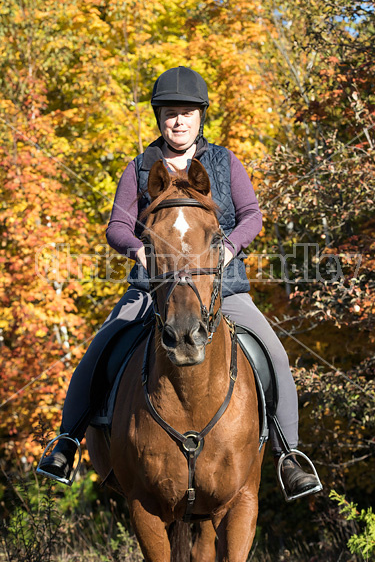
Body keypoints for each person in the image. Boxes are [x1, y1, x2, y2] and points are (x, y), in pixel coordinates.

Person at [38, 66, 322, 500]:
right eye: (171, 113)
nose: (179, 122)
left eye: (187, 113)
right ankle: (67, 442)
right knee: (101, 346)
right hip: (152, 289)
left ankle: (290, 455)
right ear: (159, 118)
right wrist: (140, 251)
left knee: (275, 354)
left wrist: (227, 251)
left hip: (222, 287)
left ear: (201, 117)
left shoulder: (225, 163)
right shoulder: (139, 169)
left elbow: (252, 217)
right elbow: (117, 225)